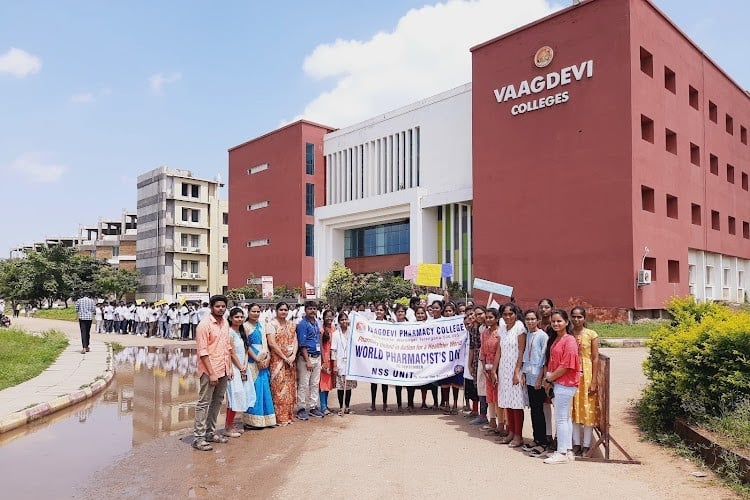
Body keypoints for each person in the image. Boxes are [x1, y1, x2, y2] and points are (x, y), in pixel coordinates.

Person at [192, 294, 232, 451]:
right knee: (203, 403)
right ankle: (198, 438)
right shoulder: (204, 325)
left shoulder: (225, 324)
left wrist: (228, 369)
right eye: (218, 306)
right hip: (209, 370)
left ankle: (210, 432)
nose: (221, 309)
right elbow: (202, 352)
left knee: (217, 401)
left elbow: (227, 347)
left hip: (223, 369)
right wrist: (212, 373)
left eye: (223, 306)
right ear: (211, 307)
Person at [542, 309, 581, 464]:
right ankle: (568, 450)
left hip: (565, 383)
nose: (556, 324)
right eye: (553, 321)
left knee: (561, 419)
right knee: (565, 418)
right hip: (558, 382)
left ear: (566, 322)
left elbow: (566, 365)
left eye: (559, 321)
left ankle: (561, 452)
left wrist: (550, 377)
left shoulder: (569, 340)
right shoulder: (557, 339)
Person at [492, 303, 527, 447]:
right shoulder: (502, 329)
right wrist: (494, 369)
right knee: (507, 401)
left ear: (516, 314)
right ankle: (511, 432)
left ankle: (518, 436)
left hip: (515, 370)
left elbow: (521, 351)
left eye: (510, 314)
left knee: (516, 403)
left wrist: (517, 372)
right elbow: (499, 351)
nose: (508, 317)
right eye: (505, 314)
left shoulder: (519, 328)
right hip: (504, 370)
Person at [570, 306, 599, 456]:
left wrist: (593, 380)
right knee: (573, 408)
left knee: (587, 408)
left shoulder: (591, 334)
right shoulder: (568, 334)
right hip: (571, 374)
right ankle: (576, 444)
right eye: (574, 317)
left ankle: (586, 445)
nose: (576, 320)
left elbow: (595, 358)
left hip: (587, 374)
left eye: (579, 317)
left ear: (584, 318)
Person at [243, 303, 277, 428]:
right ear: (248, 312)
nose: (256, 314)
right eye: (253, 311)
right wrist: (257, 359)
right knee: (254, 390)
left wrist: (267, 357)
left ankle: (266, 419)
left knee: (264, 389)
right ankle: (252, 421)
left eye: (258, 311)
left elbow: (266, 343)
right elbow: (245, 346)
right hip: (253, 361)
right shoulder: (245, 326)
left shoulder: (262, 325)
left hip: (263, 359)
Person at [224, 307, 256, 437]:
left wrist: (245, 365)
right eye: (236, 317)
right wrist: (239, 366)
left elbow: (246, 349)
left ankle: (231, 424)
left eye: (241, 317)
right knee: (234, 396)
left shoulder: (243, 332)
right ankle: (227, 427)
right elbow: (231, 352)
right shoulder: (229, 332)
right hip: (234, 368)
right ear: (231, 318)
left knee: (243, 395)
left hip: (244, 367)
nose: (239, 319)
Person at [521, 309, 549, 456]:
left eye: (533, 319)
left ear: (538, 320)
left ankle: (543, 443)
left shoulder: (542, 336)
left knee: (538, 411)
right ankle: (536, 439)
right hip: (529, 376)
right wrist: (524, 374)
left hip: (538, 378)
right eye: (528, 319)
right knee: (533, 410)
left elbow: (544, 359)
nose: (530, 321)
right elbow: (526, 356)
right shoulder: (529, 335)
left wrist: (540, 378)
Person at [266, 302, 298, 426]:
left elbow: (295, 340)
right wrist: (284, 357)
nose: (283, 312)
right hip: (277, 361)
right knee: (279, 389)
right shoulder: (271, 325)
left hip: (290, 361)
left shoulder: (291, 325)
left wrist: (293, 355)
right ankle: (279, 417)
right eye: (281, 310)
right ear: (276, 310)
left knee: (290, 388)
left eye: (285, 310)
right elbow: (272, 343)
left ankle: (289, 415)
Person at [296, 301, 324, 420]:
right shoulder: (303, 324)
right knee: (303, 384)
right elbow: (302, 344)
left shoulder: (316, 323)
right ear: (305, 310)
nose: (312, 311)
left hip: (317, 357)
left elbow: (318, 340)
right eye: (310, 309)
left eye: (314, 308)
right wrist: (307, 360)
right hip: (306, 358)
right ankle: (301, 408)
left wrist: (321, 358)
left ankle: (313, 406)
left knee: (314, 383)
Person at [480, 308, 502, 436]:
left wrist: (495, 369)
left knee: (499, 397)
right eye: (486, 317)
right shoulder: (484, 332)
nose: (488, 320)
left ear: (497, 318)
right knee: (490, 397)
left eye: (491, 317)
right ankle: (492, 421)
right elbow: (482, 351)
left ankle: (501, 423)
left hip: (498, 368)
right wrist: (484, 368)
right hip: (487, 368)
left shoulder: (500, 333)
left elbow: (501, 353)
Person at [331, 311, 357, 415]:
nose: (344, 321)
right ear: (339, 321)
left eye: (345, 319)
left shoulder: (352, 333)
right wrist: (335, 365)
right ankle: (341, 406)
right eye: (342, 320)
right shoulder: (336, 334)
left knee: (348, 387)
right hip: (340, 362)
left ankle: (347, 406)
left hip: (350, 363)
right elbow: (334, 350)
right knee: (341, 387)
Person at [368, 303, 391, 412]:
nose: (379, 312)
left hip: (385, 357)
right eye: (377, 310)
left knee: (384, 382)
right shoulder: (370, 324)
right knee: (373, 382)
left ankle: (385, 403)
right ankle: (373, 404)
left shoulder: (388, 324)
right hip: (374, 356)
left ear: (385, 312)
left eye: (381, 310)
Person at [470, 306, 489, 425]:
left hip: (491, 360)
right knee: (480, 386)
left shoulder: (495, 328)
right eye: (476, 315)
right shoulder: (476, 328)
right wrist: (470, 363)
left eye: (480, 314)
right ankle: (483, 415)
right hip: (479, 359)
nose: (478, 316)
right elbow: (472, 347)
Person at [319, 309, 335, 415]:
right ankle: (323, 406)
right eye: (327, 316)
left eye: (331, 316)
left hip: (332, 358)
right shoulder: (321, 330)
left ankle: (326, 405)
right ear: (323, 317)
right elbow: (320, 345)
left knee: (329, 383)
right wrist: (322, 360)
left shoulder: (333, 329)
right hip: (324, 358)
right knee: (323, 383)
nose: (329, 318)